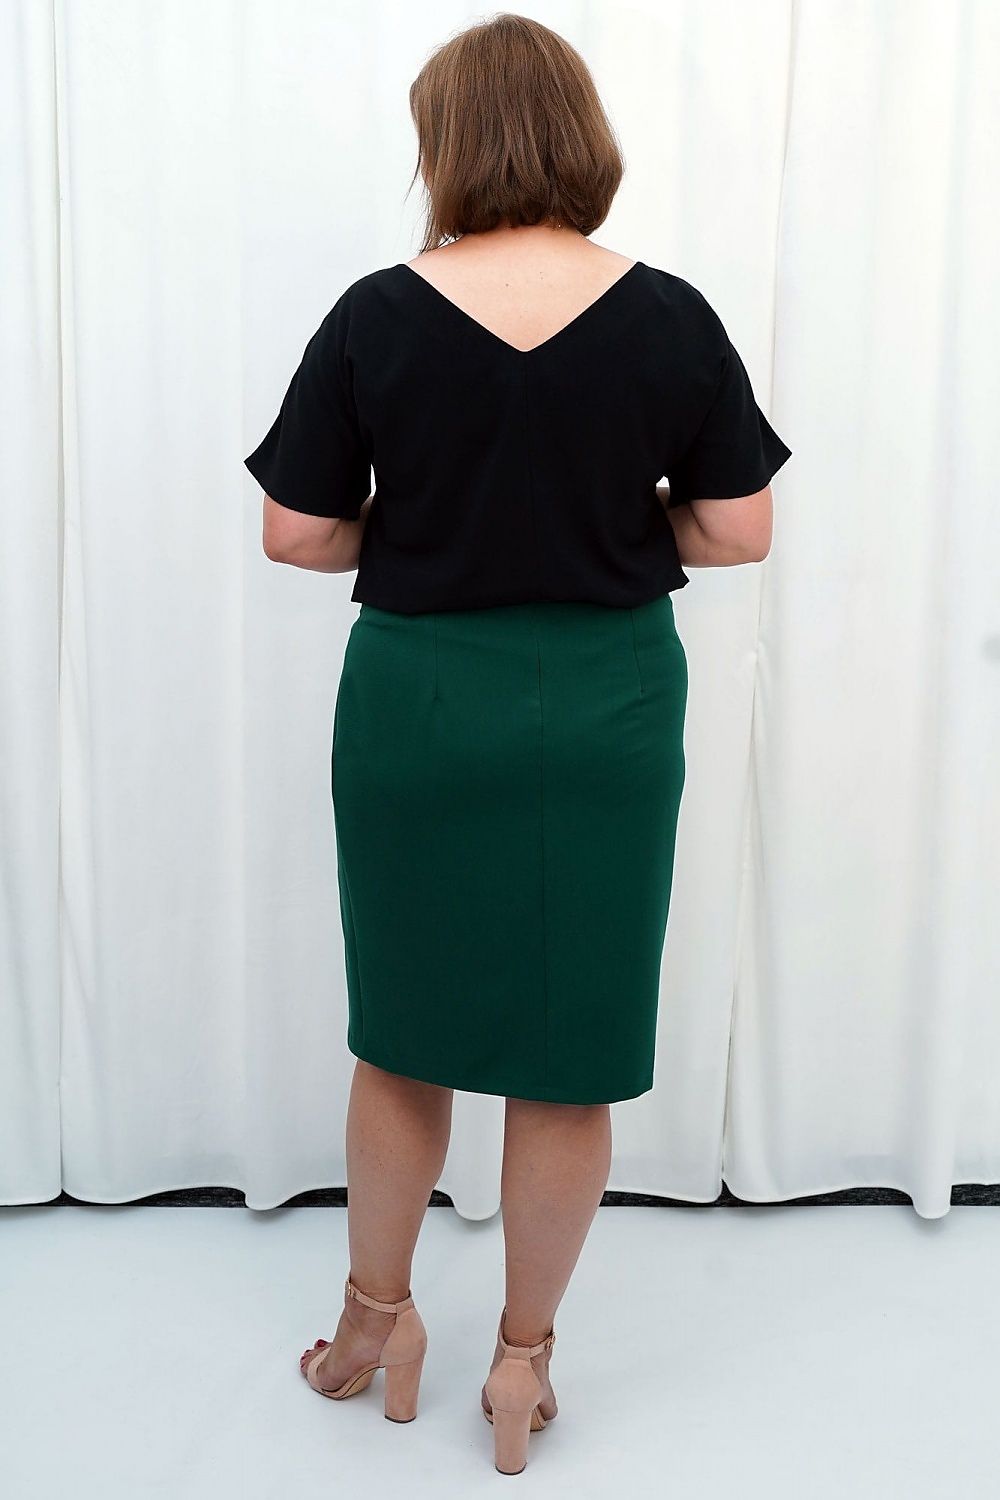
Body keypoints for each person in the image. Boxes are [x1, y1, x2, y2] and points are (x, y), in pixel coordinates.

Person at [243, 12, 791, 1477]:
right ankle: (522, 1363)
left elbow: (295, 532)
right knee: (566, 1057)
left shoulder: (376, 314)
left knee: (403, 1038)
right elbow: (739, 528)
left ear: (446, 146)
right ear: (581, 139)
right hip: (609, 705)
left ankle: (373, 1326)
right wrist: (605, 527)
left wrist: (433, 531)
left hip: (419, 700)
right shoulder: (669, 314)